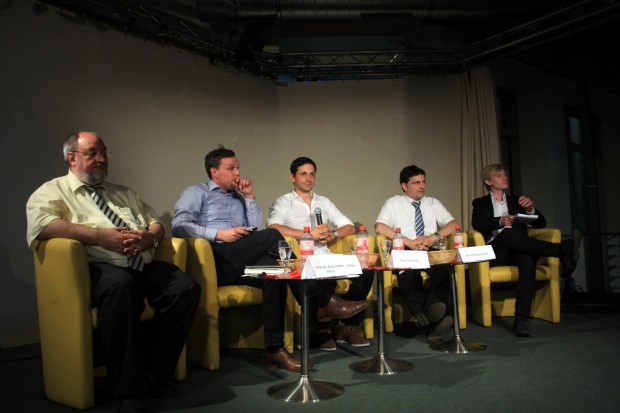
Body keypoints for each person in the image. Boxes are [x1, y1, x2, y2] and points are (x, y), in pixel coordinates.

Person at [26, 131, 201, 413]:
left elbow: (155, 222)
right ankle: (126, 390)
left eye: (104, 153)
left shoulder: (123, 192)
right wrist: (98, 236)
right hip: (98, 267)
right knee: (121, 288)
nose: (101, 159)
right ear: (72, 158)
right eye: (92, 153)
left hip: (141, 262)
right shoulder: (53, 191)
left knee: (186, 288)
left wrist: (149, 238)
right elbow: (42, 225)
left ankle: (152, 372)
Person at [171, 147, 368, 370]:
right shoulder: (197, 192)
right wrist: (218, 234)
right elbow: (179, 225)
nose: (237, 173)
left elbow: (255, 226)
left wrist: (249, 198)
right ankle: (321, 301)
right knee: (273, 235)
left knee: (277, 272)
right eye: (231, 168)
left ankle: (274, 350)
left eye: (238, 168)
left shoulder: (238, 197)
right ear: (214, 171)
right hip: (216, 258)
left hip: (242, 256)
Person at [267, 157, 374, 350]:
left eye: (312, 174)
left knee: (366, 270)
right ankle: (321, 331)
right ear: (292, 177)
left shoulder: (323, 202)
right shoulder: (284, 202)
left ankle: (346, 328)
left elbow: (349, 226)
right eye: (303, 174)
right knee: (321, 274)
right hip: (302, 258)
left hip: (326, 255)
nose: (309, 178)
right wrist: (307, 234)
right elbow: (273, 227)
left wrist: (333, 234)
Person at [471, 164, 575, 337]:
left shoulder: (517, 201)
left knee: (527, 260)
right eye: (499, 175)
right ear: (488, 181)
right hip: (496, 252)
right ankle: (559, 250)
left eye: (505, 174)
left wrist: (530, 209)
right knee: (508, 234)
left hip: (519, 249)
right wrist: (501, 221)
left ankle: (521, 320)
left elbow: (540, 223)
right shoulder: (480, 203)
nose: (505, 177)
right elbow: (478, 225)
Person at [375, 164, 457, 343]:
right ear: (405, 186)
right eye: (416, 183)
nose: (422, 186)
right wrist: (409, 242)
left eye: (424, 182)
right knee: (410, 275)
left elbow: (452, 225)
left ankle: (433, 311)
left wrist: (433, 237)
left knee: (443, 271)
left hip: (430, 248)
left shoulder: (433, 203)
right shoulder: (394, 202)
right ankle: (432, 323)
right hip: (405, 248)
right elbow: (380, 226)